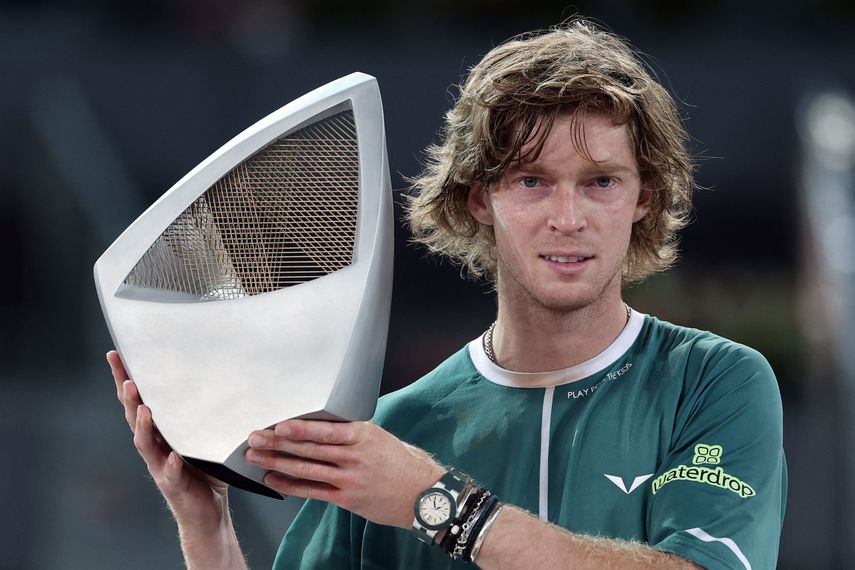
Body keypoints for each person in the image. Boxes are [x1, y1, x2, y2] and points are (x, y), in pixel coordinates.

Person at [108, 18, 786, 570]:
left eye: (600, 182)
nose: (568, 218)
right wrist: (206, 530)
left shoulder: (714, 383)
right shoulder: (392, 432)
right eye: (531, 181)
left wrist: (435, 503)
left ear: (644, 198)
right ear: (477, 199)